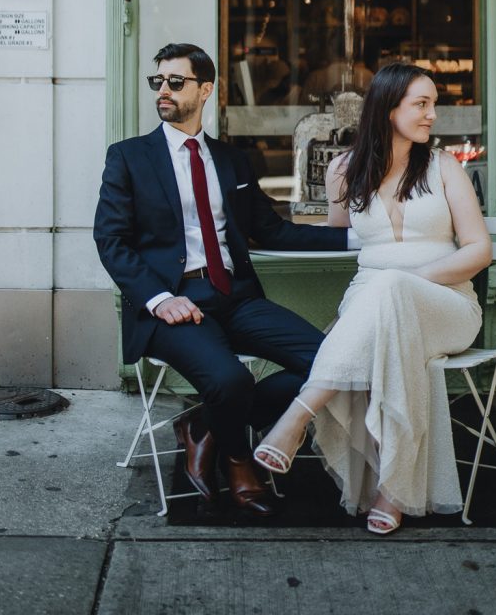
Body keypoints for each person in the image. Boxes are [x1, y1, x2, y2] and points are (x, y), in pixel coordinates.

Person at [93, 42, 351, 517]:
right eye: (158, 82)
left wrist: (358, 239)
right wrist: (158, 298)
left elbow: (270, 230)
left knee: (328, 363)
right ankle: (237, 460)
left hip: (235, 296)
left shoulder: (231, 161)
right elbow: (111, 241)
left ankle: (205, 425)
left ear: (205, 89)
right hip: (173, 303)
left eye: (176, 81)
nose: (164, 90)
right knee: (230, 378)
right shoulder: (128, 158)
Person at [254, 63, 491, 534]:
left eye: (433, 105)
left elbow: (479, 250)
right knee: (386, 310)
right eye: (421, 104)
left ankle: (298, 416)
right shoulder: (344, 171)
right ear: (388, 109)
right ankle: (392, 490)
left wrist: (410, 280)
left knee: (389, 285)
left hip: (446, 305)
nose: (432, 116)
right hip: (373, 311)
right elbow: (338, 234)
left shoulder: (444, 167)